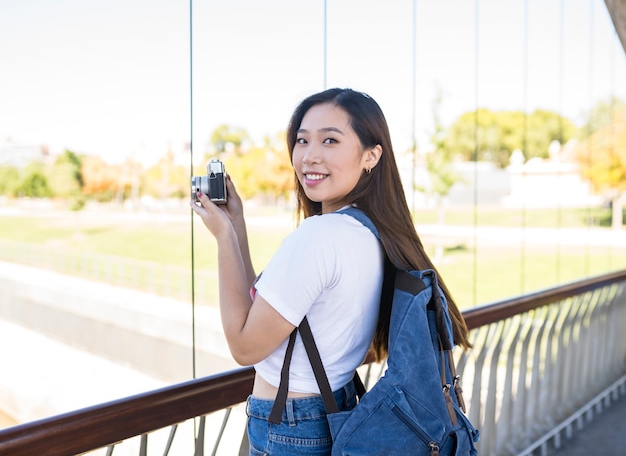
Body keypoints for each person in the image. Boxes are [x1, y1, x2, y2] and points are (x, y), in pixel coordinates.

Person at [190, 88, 471, 455]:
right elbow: (262, 311)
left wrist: (223, 238)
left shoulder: (319, 236)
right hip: (334, 407)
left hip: (293, 426)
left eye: (330, 140)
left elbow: (244, 346)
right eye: (302, 140)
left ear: (371, 156)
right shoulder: (370, 230)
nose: (310, 156)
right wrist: (237, 226)